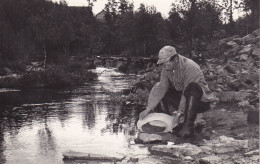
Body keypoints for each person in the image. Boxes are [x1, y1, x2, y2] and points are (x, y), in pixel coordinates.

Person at [139, 46, 214, 138]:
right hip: (184, 100)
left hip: (199, 102)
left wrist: (178, 114)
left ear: (175, 59)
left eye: (167, 64)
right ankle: (167, 121)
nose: (165, 67)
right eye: (163, 65)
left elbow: (186, 94)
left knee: (192, 87)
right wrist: (148, 109)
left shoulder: (191, 67)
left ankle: (188, 126)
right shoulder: (167, 67)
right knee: (159, 86)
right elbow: (162, 87)